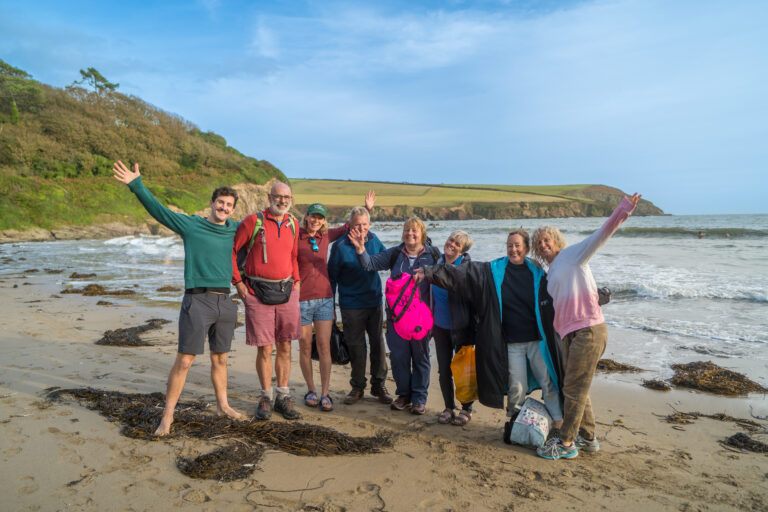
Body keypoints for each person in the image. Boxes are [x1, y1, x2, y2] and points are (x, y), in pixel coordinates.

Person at [112, 161, 243, 436]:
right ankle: (168, 416)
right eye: (220, 202)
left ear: (233, 208)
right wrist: (137, 186)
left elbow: (265, 235)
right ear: (212, 203)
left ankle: (223, 405)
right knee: (185, 360)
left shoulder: (235, 230)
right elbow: (160, 212)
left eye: (229, 205)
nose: (224, 208)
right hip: (197, 301)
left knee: (220, 359)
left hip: (225, 302)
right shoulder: (191, 225)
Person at [414, 230, 563, 436]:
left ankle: (558, 423)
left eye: (518, 245)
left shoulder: (538, 272)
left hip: (537, 341)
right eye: (510, 245)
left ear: (527, 248)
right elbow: (463, 274)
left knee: (548, 382)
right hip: (511, 343)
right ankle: (516, 424)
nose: (513, 249)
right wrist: (430, 273)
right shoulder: (494, 270)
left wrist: (592, 297)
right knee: (516, 387)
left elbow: (561, 292)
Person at [531, 193, 641, 460]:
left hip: (590, 330)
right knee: (577, 386)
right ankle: (588, 438)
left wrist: (623, 210)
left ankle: (567, 442)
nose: (544, 244)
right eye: (539, 242)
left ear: (557, 241)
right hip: (569, 334)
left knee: (574, 389)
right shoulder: (551, 273)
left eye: (547, 239)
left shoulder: (573, 255)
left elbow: (601, 234)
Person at [349, 217, 440, 415]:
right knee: (399, 358)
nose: (410, 233)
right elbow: (369, 264)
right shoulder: (395, 254)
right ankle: (404, 395)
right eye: (407, 230)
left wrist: (428, 271)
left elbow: (445, 273)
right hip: (397, 319)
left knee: (421, 358)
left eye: (414, 230)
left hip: (422, 319)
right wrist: (360, 248)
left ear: (422, 233)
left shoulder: (432, 254)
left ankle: (419, 399)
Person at [297, 192, 374, 412]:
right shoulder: (296, 236)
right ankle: (311, 389)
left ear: (323, 220)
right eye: (313, 216)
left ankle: (325, 393)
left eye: (320, 217)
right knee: (304, 346)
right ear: (306, 217)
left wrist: (366, 209)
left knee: (324, 346)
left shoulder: (326, 236)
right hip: (301, 300)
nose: (316, 220)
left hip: (325, 300)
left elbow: (351, 225)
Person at [232, 182, 301, 421]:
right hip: (256, 292)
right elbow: (232, 251)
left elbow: (294, 256)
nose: (282, 201)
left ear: (291, 199)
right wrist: (239, 284)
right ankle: (265, 396)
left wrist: (298, 283)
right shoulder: (253, 222)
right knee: (265, 347)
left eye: (286, 197)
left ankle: (283, 395)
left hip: (287, 291)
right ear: (269, 197)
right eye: (278, 197)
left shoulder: (293, 223)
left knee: (285, 346)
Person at [328, 206, 393, 406]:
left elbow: (388, 262)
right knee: (356, 346)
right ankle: (357, 387)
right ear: (350, 225)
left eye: (365, 224)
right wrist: (331, 307)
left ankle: (379, 385)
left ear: (369, 225)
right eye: (357, 225)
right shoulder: (339, 247)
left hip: (374, 301)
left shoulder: (374, 241)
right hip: (350, 304)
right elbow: (331, 279)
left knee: (378, 345)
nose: (362, 228)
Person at [431, 231, 477, 426]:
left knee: (464, 369)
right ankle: (448, 407)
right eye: (450, 240)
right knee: (444, 369)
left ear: (462, 250)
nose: (452, 245)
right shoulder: (436, 262)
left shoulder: (466, 269)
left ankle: (466, 409)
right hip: (439, 326)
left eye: (457, 244)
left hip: (462, 327)